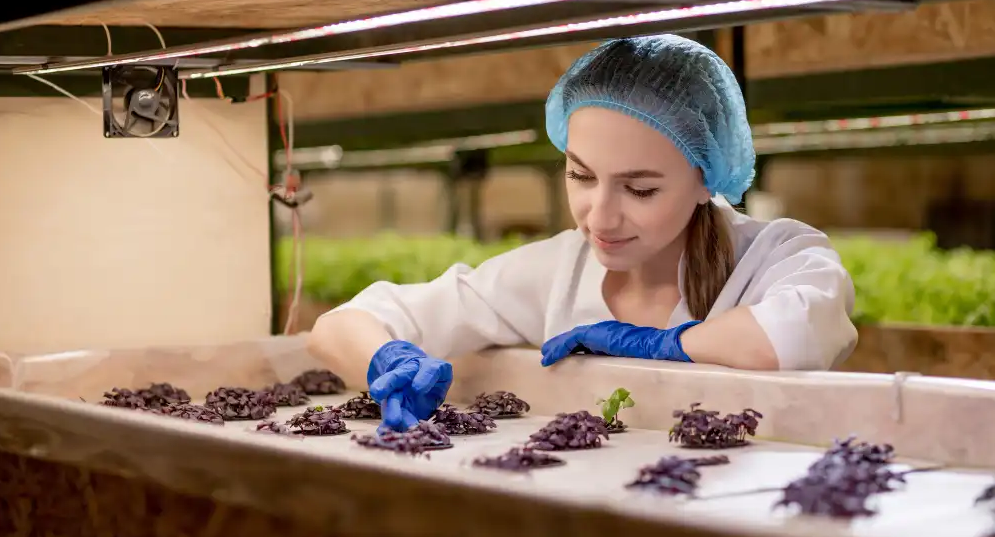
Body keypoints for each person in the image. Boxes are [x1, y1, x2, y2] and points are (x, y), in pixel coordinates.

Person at [308, 34, 857, 433]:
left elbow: (795, 332)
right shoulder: (560, 269)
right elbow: (343, 325)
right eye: (580, 176)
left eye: (639, 190)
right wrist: (386, 363)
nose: (599, 218)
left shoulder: (777, 254)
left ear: (705, 180)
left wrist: (660, 345)